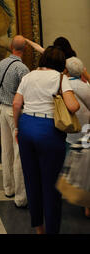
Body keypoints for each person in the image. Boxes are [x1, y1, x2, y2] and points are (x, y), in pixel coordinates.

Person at [13, 46, 80, 234]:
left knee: (31, 181)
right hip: (49, 130)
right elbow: (73, 106)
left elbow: (17, 104)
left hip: (26, 126)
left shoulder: (28, 76)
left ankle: (39, 228)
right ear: (60, 63)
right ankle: (52, 230)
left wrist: (18, 128)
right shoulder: (60, 78)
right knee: (51, 185)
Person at [0, 35, 29, 208]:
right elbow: (25, 95)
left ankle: (8, 188)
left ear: (11, 46)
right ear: (25, 49)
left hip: (1, 109)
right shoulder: (22, 69)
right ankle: (21, 197)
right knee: (19, 154)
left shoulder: (1, 64)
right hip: (15, 112)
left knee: (6, 150)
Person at [65, 56, 90, 219]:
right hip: (85, 130)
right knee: (86, 167)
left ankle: (69, 188)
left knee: (69, 161)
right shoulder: (86, 86)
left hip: (69, 130)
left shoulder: (64, 86)